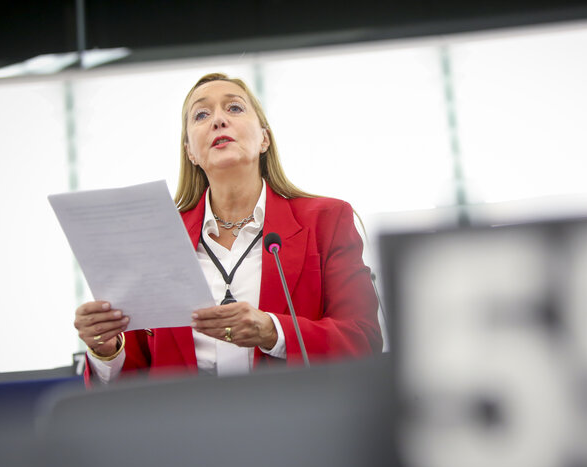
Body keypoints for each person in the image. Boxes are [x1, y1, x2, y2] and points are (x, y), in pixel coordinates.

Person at [73, 73, 383, 383]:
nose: (218, 120)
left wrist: (272, 331)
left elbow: (363, 340)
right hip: (185, 427)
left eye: (234, 108)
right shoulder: (156, 240)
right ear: (190, 151)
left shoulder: (327, 220)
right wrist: (106, 349)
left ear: (264, 138)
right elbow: (134, 381)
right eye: (201, 114)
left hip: (296, 422)